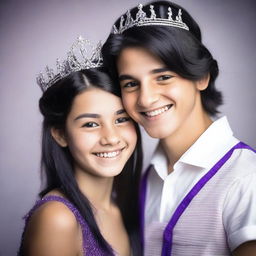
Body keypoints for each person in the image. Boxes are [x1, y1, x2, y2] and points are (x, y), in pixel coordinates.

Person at [102, 1, 256, 255]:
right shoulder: (150, 178)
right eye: (130, 84)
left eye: (163, 77)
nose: (146, 99)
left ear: (201, 76)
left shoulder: (246, 178)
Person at [18, 36, 142, 256]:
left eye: (121, 119)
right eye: (91, 124)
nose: (111, 137)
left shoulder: (125, 207)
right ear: (61, 134)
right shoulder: (58, 218)